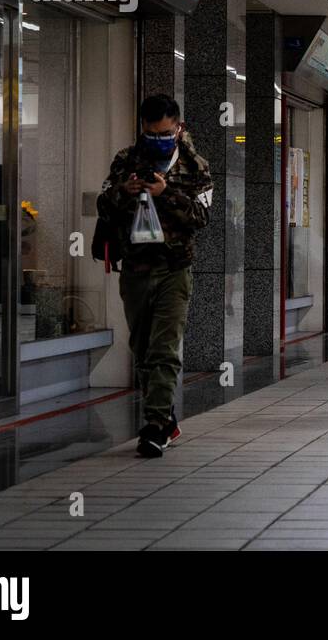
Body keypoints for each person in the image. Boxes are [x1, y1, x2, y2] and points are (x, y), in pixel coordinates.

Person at [99, 94, 213, 457]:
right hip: (134, 268)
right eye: (151, 134)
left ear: (178, 128)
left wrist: (166, 194)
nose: (158, 140)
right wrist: (123, 191)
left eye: (165, 133)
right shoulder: (126, 160)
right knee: (142, 347)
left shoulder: (195, 166)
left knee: (164, 348)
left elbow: (202, 216)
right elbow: (103, 205)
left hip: (174, 269)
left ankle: (155, 423)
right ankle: (165, 417)